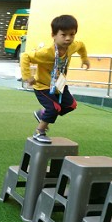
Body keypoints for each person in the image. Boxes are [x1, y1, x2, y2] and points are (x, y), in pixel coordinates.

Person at [21, 14, 90, 144]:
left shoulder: (72, 46)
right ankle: (39, 132)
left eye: (72, 34)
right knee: (54, 108)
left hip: (59, 84)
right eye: (63, 35)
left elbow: (81, 45)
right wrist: (27, 76)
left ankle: (42, 114)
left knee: (71, 105)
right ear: (53, 35)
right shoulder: (46, 52)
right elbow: (25, 56)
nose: (68, 38)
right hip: (43, 86)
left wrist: (84, 59)